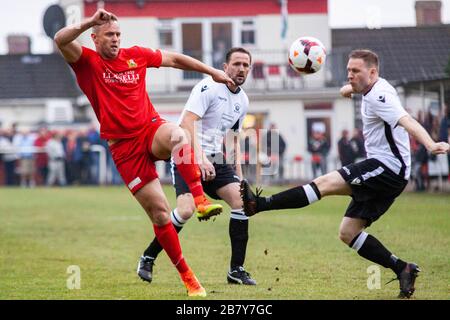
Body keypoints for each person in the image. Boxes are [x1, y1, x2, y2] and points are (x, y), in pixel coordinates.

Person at [240, 49, 450, 299]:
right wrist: (348, 89)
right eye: (348, 70)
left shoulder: (380, 96)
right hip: (390, 173)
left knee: (324, 183)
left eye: (355, 71)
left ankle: (260, 204)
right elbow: (348, 90)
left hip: (388, 167)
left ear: (372, 73)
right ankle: (403, 268)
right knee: (348, 233)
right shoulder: (371, 88)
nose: (349, 75)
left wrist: (430, 144)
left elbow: (407, 121)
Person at [54, 8, 235, 297]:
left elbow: (175, 59)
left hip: (149, 130)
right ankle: (189, 279)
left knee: (178, 133)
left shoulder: (135, 55)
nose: (114, 39)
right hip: (124, 149)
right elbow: (60, 39)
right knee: (162, 215)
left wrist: (213, 72)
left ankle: (200, 199)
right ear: (95, 37)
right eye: (108, 35)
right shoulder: (86, 61)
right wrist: (90, 19)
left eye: (117, 34)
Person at [139, 47, 257, 285]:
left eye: (246, 65)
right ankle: (148, 256)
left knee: (242, 202)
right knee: (185, 211)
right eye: (236, 64)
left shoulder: (242, 100)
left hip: (215, 159)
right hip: (186, 154)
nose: (241, 69)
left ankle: (237, 270)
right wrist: (200, 158)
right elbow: (186, 123)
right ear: (225, 67)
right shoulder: (208, 87)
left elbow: (233, 139)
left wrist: (241, 177)